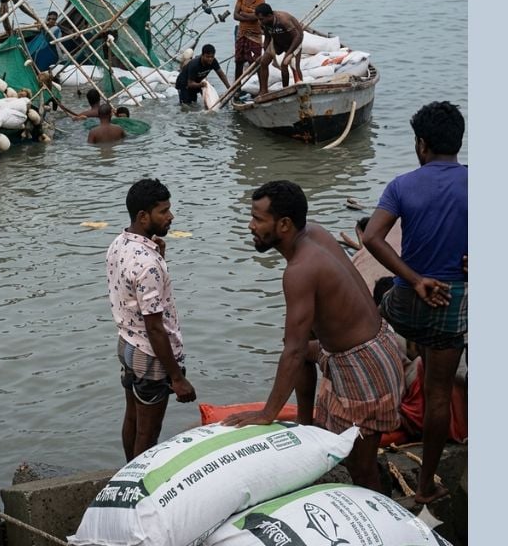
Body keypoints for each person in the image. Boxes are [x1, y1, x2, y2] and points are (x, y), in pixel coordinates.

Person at [224, 181, 404, 494]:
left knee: (361, 468)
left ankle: (380, 513)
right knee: (304, 350)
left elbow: (293, 352)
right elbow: (300, 343)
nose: (251, 226)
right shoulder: (315, 233)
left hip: (363, 368)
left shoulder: (299, 271)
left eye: (257, 219)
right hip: (373, 346)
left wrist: (268, 414)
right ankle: (306, 424)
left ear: (284, 224)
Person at [363, 100, 468, 505]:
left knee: (379, 303)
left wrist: (415, 279)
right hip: (451, 303)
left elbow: (372, 238)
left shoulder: (402, 185)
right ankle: (425, 486)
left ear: (422, 144)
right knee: (438, 394)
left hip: (408, 301)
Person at [107, 179, 196, 460]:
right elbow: (155, 328)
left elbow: (133, 292)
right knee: (148, 431)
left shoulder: (119, 244)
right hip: (150, 353)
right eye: (164, 211)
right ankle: (139, 481)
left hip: (127, 344)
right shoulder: (147, 263)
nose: (171, 217)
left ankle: (127, 469)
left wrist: (160, 258)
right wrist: (177, 378)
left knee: (132, 417)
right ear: (143, 216)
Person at [253, 3, 305, 98]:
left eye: (261, 19)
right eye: (259, 19)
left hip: (294, 42)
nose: (260, 21)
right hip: (278, 41)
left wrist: (288, 54)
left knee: (286, 65)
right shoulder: (263, 23)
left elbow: (297, 36)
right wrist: (265, 52)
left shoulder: (283, 20)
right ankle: (264, 90)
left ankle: (286, 89)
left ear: (269, 16)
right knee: (263, 62)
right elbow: (267, 37)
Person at [231, 0, 266, 79]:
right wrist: (249, 16)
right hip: (242, 33)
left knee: (256, 61)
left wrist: (243, 14)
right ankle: (237, 85)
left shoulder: (260, 0)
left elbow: (257, 16)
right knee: (239, 60)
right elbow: (235, 15)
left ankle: (262, 84)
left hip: (254, 34)